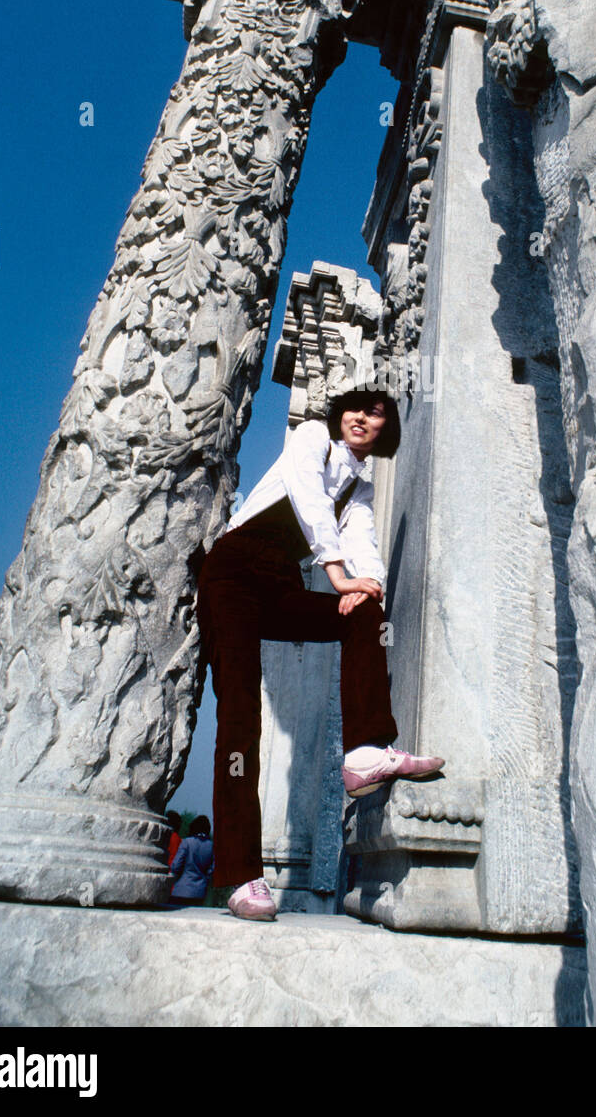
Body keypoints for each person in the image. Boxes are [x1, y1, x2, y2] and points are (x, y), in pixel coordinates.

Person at [195, 388, 445, 922]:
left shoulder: (359, 484)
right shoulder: (313, 438)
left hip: (280, 584)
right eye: (356, 408)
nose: (362, 418)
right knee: (240, 719)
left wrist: (367, 586)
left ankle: (363, 754)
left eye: (376, 414)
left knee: (363, 617)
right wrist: (336, 573)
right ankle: (241, 876)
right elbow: (308, 496)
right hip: (233, 573)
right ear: (340, 415)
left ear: (385, 432)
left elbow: (365, 546)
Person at [167, 815, 214, 907]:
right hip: (200, 891)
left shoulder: (186, 842)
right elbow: (212, 869)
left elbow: (175, 866)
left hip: (181, 890)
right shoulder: (212, 846)